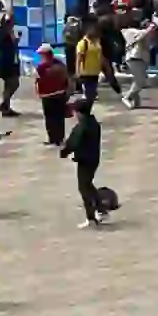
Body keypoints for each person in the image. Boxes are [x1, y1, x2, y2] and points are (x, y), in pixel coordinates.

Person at [59, 96, 105, 229]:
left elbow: (73, 143)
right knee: (88, 184)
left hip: (84, 160)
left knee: (83, 188)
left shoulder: (81, 127)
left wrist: (64, 152)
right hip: (94, 158)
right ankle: (101, 209)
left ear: (79, 112)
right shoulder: (93, 123)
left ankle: (91, 218)